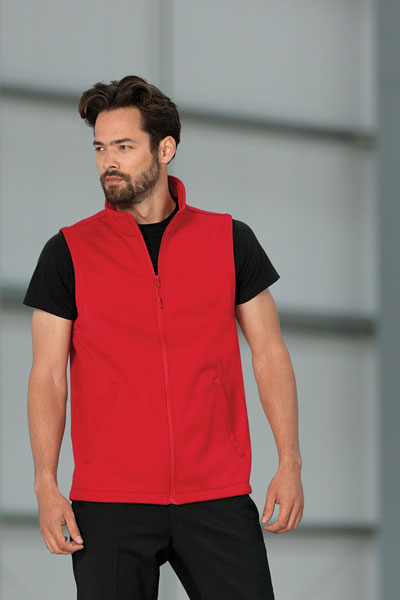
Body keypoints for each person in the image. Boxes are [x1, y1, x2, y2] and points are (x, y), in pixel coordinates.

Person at [24, 75, 304, 599]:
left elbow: (269, 354)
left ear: (165, 149)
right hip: (109, 501)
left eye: (124, 147)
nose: (108, 162)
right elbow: (48, 376)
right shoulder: (67, 252)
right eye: (100, 148)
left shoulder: (230, 240)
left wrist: (290, 463)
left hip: (216, 492)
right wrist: (46, 483)